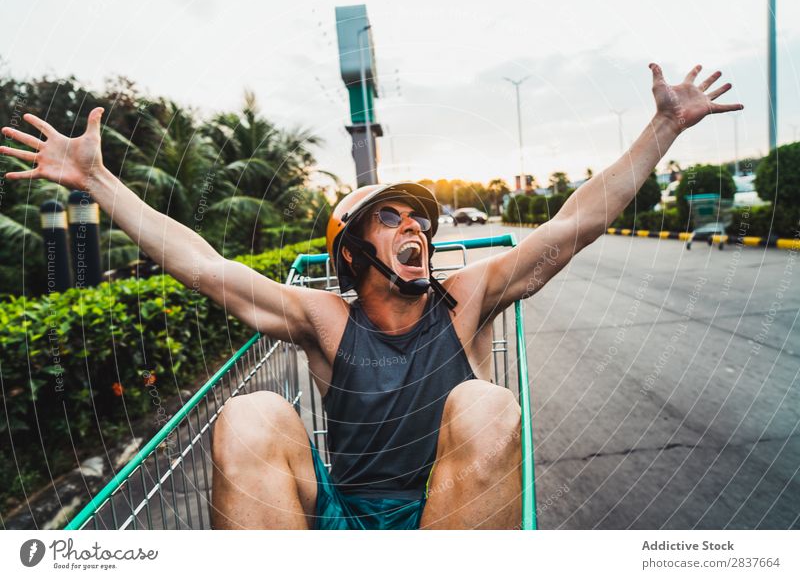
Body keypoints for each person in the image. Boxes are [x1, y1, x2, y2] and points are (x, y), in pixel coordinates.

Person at [1, 64, 742, 529]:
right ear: (351, 252)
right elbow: (202, 264)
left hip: (447, 516)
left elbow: (571, 225)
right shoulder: (325, 319)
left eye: (418, 215)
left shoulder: (469, 296)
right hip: (348, 521)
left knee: (486, 405)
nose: (413, 224)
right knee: (251, 416)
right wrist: (99, 181)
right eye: (388, 217)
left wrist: (663, 128)